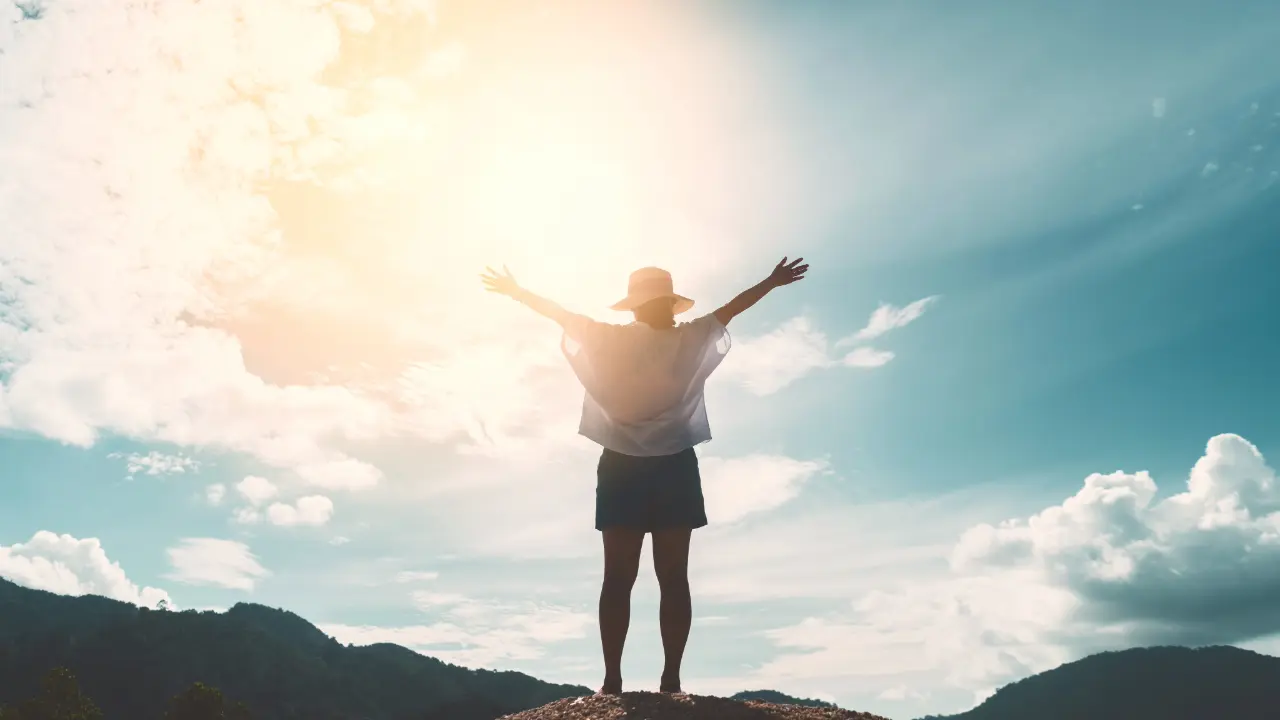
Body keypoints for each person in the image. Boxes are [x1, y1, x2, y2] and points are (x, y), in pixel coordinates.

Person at [480, 257, 809, 695]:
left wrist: (518, 292)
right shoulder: (689, 337)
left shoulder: (608, 338)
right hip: (674, 463)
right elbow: (733, 308)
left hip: (620, 464)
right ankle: (670, 679)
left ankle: (612, 680)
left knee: (618, 577)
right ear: (671, 306)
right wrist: (770, 281)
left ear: (633, 308)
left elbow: (559, 314)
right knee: (673, 577)